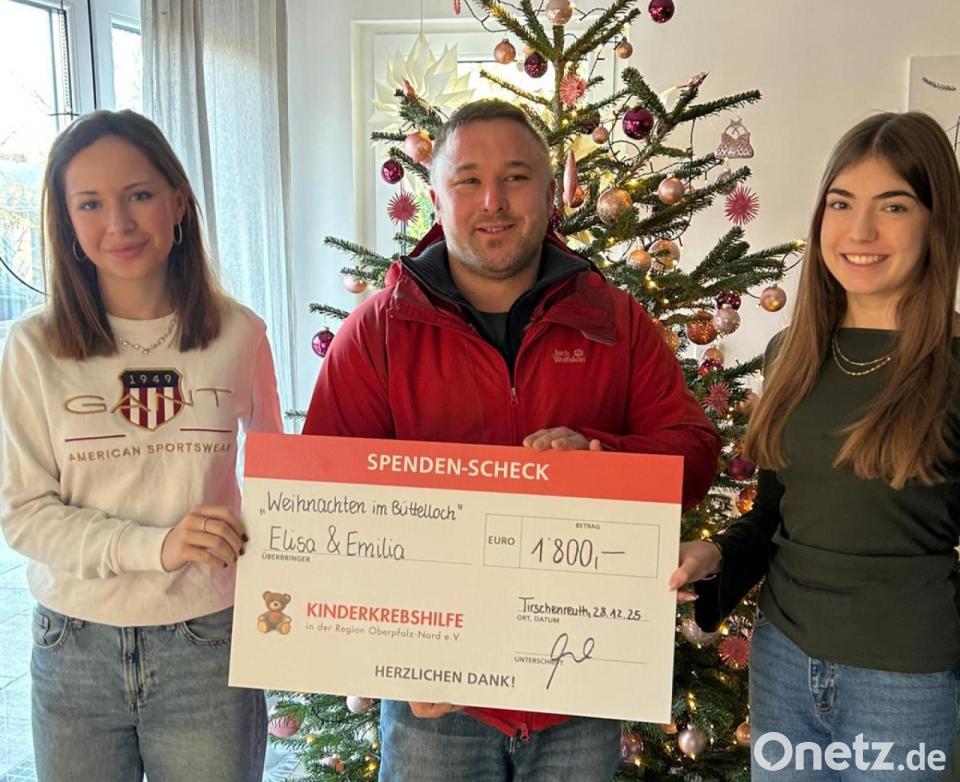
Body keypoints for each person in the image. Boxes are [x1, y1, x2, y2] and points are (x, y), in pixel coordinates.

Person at [303, 99, 721, 782]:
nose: (493, 201)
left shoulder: (615, 321)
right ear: (435, 197)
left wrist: (601, 459)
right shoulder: (376, 333)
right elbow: (324, 507)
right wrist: (386, 656)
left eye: (517, 177)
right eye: (468, 180)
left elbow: (696, 455)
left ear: (551, 194)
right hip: (433, 695)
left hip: (578, 685)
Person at [669, 112, 960, 781]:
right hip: (784, 664)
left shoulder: (953, 364)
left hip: (906, 681)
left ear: (936, 222)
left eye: (893, 206)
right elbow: (776, 515)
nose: (860, 232)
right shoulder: (790, 352)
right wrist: (715, 555)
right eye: (841, 203)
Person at [0, 110, 282, 782]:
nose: (119, 223)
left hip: (207, 642)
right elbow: (22, 514)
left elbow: (279, 486)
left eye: (139, 195)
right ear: (67, 222)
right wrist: (154, 547)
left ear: (178, 202)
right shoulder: (32, 347)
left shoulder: (240, 335)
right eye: (90, 203)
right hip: (73, 645)